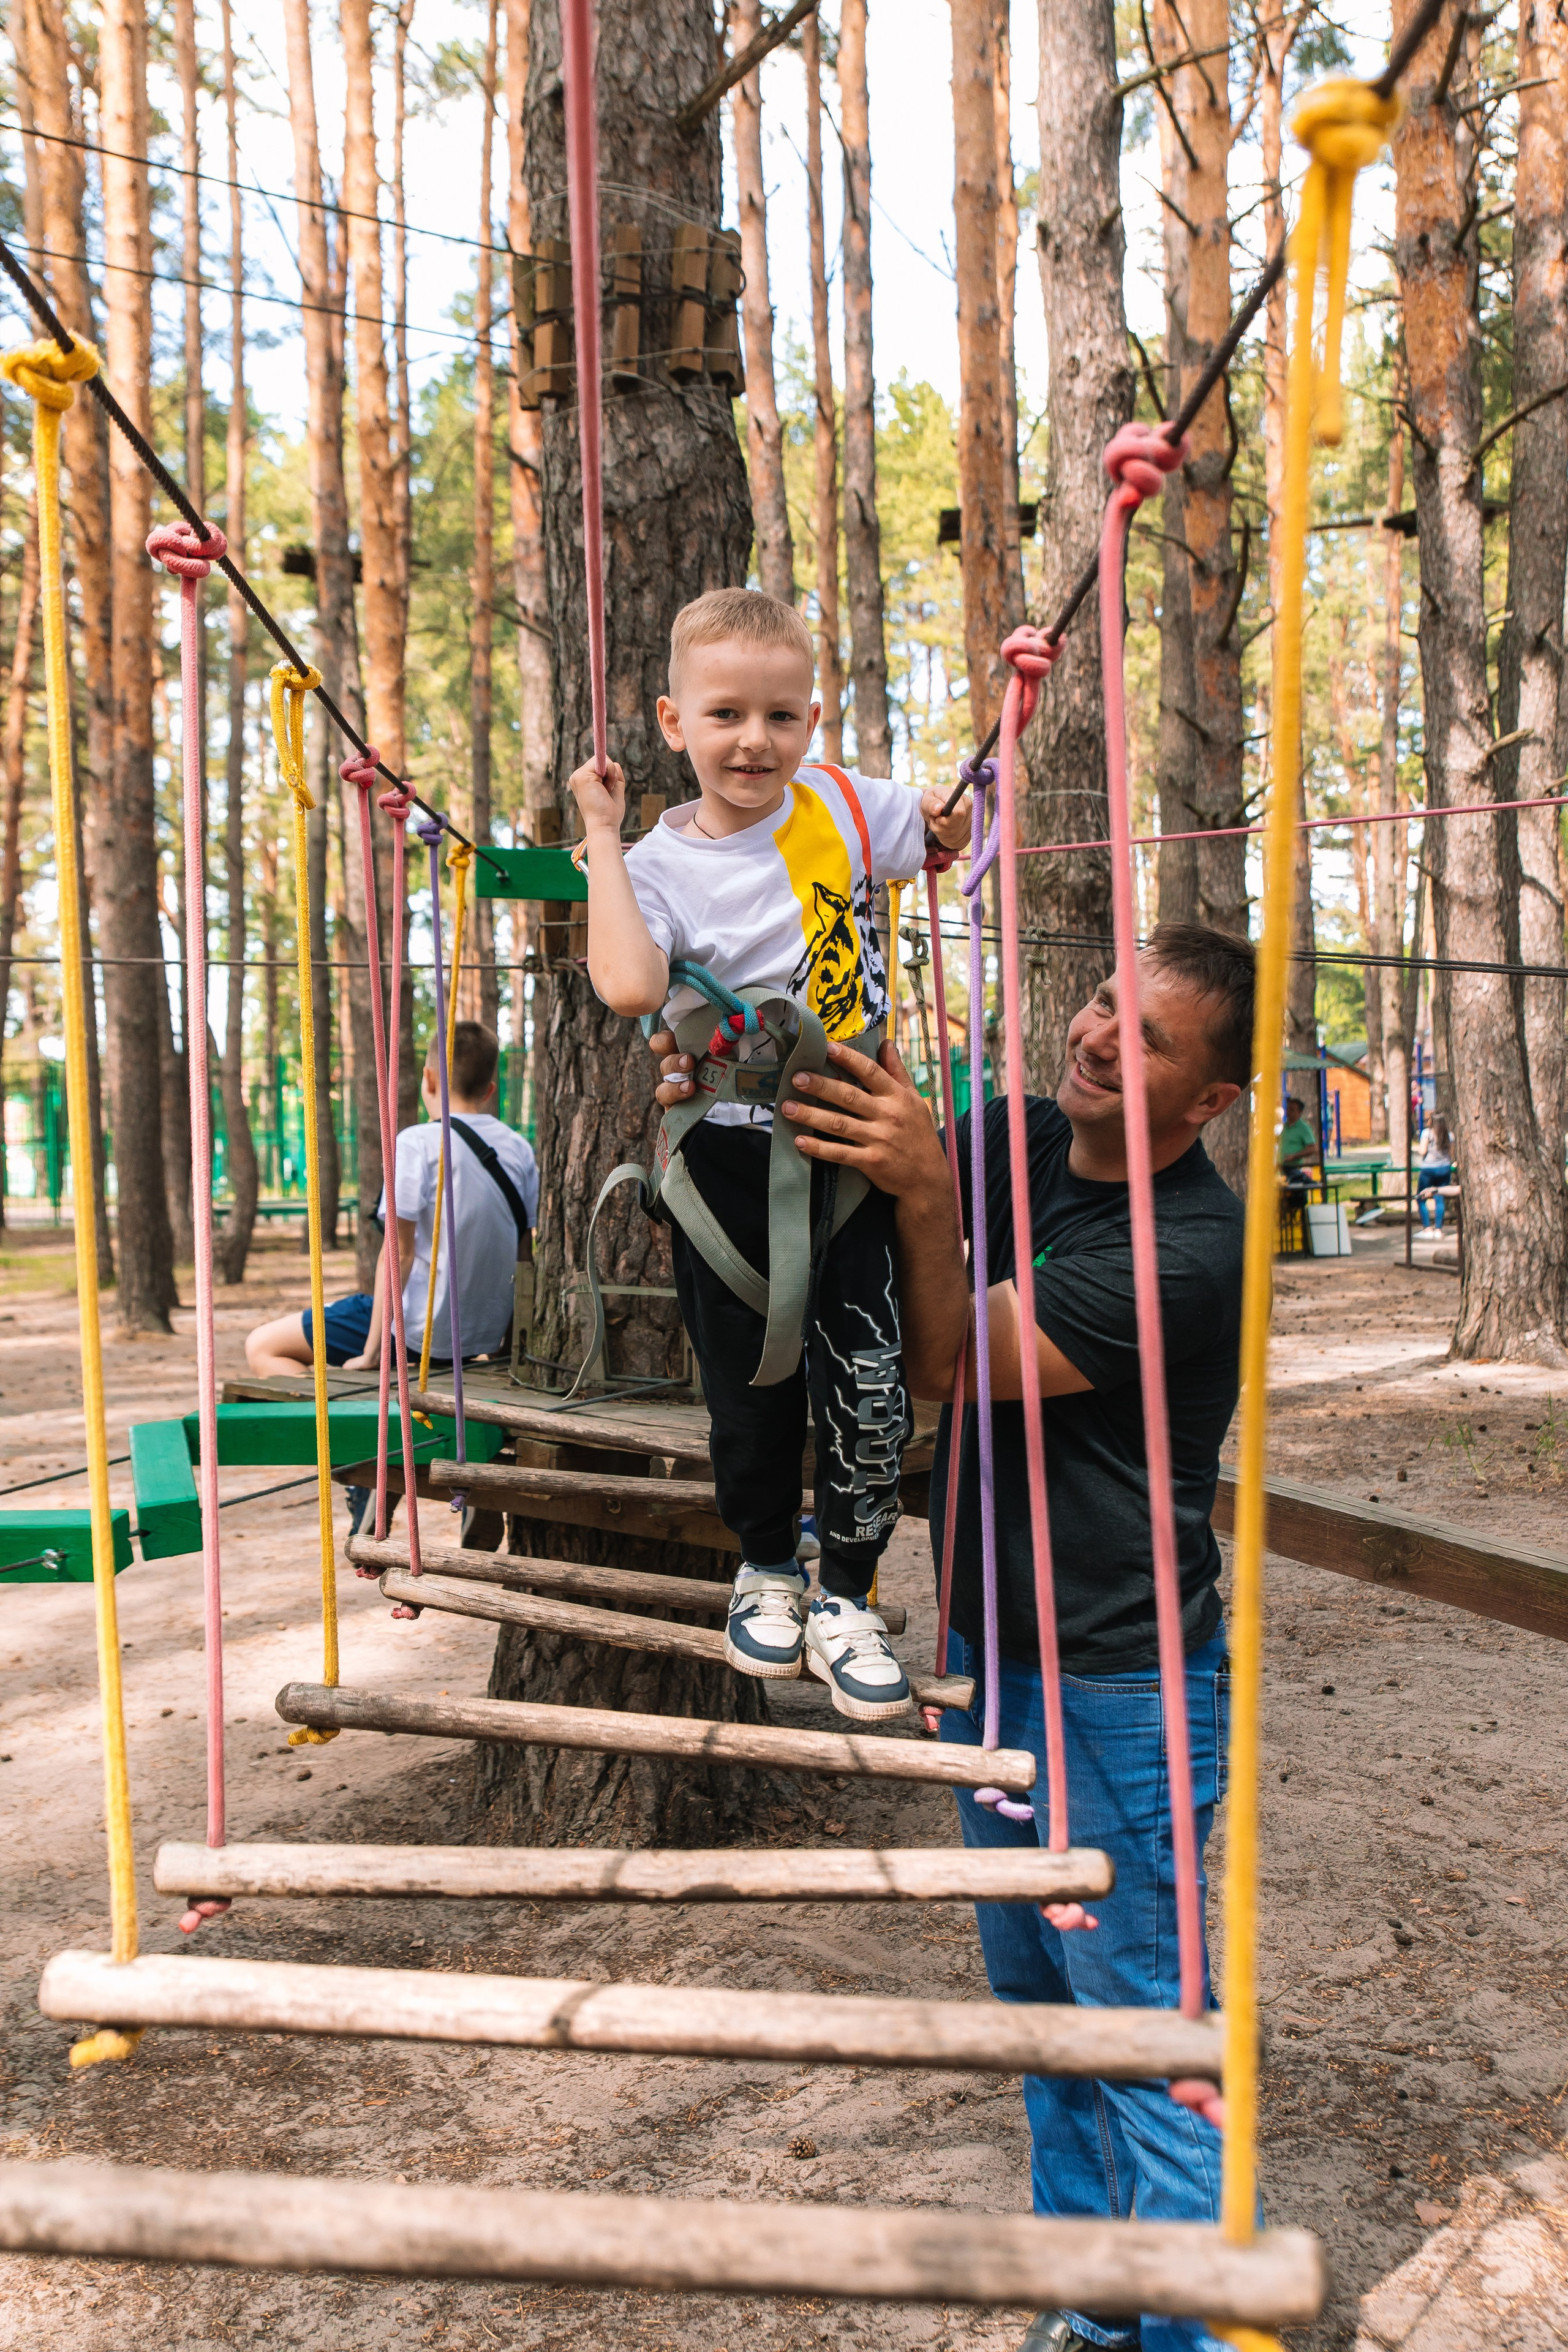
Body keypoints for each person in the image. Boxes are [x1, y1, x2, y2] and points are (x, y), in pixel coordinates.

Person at [704, 918, 1253, 2352]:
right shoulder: (1003, 1136)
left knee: (1136, 2024)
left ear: (1204, 1100)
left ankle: (1183, 2327)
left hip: (1119, 1683)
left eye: (1143, 1036)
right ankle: (1093, 2305)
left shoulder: (1188, 1244)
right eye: (1095, 1002)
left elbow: (954, 1363)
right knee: (1034, 2006)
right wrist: (734, 1020)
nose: (1091, 1034)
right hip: (984, 1661)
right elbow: (837, 1131)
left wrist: (927, 1194)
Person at [568, 584, 972, 1722]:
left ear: (814, 721)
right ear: (671, 723)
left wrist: (967, 800)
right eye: (727, 715)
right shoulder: (654, 862)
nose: (757, 741)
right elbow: (635, 986)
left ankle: (849, 1590)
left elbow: (951, 833)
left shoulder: (844, 801)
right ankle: (767, 1565)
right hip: (730, 1156)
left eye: (784, 717)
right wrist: (600, 833)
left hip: (849, 1135)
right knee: (748, 1387)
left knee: (867, 1381)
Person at [245, 1018, 537, 1381]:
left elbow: (398, 1253)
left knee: (262, 1346)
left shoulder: (417, 1144)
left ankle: (338, 1423)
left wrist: (373, 1352)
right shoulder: (519, 1149)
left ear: (428, 1079)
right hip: (480, 1335)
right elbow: (524, 1254)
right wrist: (505, 1347)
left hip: (416, 1331)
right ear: (490, 1090)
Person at [1415, 1114, 1454, 1230]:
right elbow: (1452, 1154)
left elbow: (1423, 1151)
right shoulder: (1449, 1135)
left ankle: (1427, 1227)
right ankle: (1438, 1228)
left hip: (1428, 1169)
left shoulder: (1427, 1133)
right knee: (1439, 1197)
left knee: (1421, 1198)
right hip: (1444, 1169)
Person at [1276, 1091, 1317, 1203]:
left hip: (1294, 1169)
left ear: (1299, 1112)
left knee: (1296, 1199)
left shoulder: (1303, 1128)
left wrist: (1294, 1156)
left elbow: (1313, 1148)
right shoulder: (1285, 1127)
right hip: (1281, 1168)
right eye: (1288, 1109)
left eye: (1292, 1110)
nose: (1289, 1113)